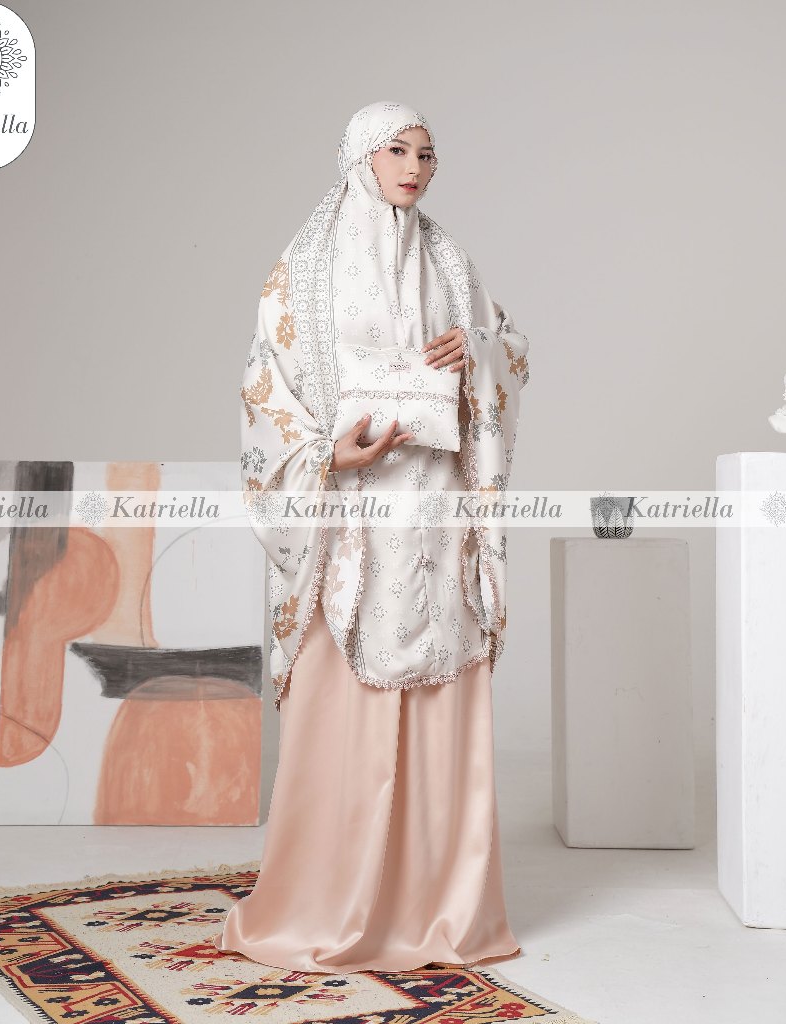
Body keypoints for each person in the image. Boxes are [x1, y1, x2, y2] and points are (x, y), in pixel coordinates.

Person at [213, 101, 530, 973]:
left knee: (440, 685)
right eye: (397, 150)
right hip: (352, 519)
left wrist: (480, 350)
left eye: (427, 153)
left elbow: (511, 353)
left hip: (436, 514)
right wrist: (329, 456)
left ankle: (437, 909)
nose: (415, 166)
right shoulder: (305, 266)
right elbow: (266, 389)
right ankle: (329, 900)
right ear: (360, 156)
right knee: (344, 700)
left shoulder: (451, 261)